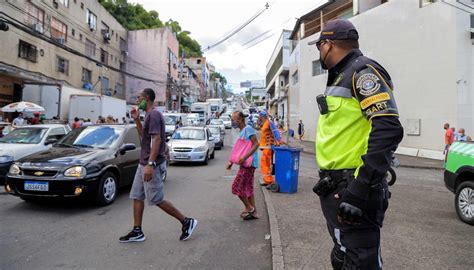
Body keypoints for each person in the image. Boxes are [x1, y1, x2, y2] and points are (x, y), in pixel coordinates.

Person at [309, 19, 403, 269]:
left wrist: (360, 190)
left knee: (362, 261)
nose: (319, 52)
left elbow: (388, 129)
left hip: (354, 187)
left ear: (328, 44)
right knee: (343, 255)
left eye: (319, 45)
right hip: (337, 186)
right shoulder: (341, 75)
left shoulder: (363, 72)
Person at [119, 88, 197, 243]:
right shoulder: (148, 114)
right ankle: (137, 231)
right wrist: (136, 120)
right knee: (136, 196)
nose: (136, 100)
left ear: (146, 98)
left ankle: (186, 222)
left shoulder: (154, 114)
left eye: (139, 97)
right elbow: (145, 137)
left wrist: (150, 164)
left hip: (151, 164)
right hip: (144, 163)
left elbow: (157, 140)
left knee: (156, 199)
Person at [227, 111, 260, 220]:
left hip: (249, 164)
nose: (233, 122)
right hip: (246, 163)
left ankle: (249, 207)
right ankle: (254, 212)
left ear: (241, 119)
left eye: (234, 119)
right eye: (232, 119)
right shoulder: (242, 131)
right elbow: (239, 149)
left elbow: (256, 144)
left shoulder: (248, 129)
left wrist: (245, 157)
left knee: (236, 187)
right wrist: (231, 162)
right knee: (248, 187)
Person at [258, 111, 276, 187]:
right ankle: (267, 180)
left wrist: (278, 142)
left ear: (262, 116)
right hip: (265, 147)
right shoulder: (265, 123)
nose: (259, 117)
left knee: (265, 164)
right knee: (265, 164)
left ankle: (269, 181)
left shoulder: (269, 122)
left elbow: (275, 132)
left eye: (260, 116)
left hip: (268, 147)